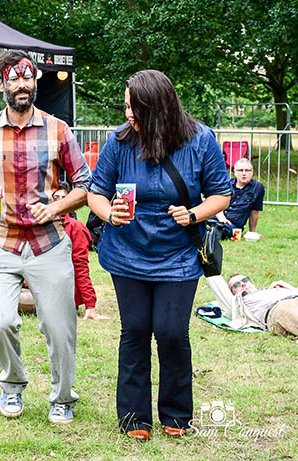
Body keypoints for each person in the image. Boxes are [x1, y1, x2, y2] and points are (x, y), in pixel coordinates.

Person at [87, 69, 232, 441]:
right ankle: (134, 417)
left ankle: (176, 414)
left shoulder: (200, 140)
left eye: (134, 108)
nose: (127, 115)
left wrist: (194, 214)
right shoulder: (119, 142)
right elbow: (95, 192)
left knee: (170, 332)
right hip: (127, 252)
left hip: (179, 254)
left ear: (156, 108)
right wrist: (109, 213)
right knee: (134, 330)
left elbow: (221, 193)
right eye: (125, 107)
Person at [0, 50, 92, 424]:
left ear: (35, 81)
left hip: (48, 241)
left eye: (28, 77)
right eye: (14, 79)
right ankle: (12, 385)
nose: (22, 85)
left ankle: (63, 397)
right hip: (0, 240)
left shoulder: (57, 129)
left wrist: (55, 208)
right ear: (1, 83)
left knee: (59, 326)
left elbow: (84, 185)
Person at [51, 187, 108, 320]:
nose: (59, 202)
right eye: (55, 198)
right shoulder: (39, 223)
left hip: (63, 290)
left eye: (64, 198)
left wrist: (90, 306)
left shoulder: (76, 228)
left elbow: (80, 266)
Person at [205, 274, 298, 337]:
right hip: (278, 309)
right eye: (236, 285)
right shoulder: (240, 302)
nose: (242, 284)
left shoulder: (268, 290)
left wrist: (283, 284)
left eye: (245, 280)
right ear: (232, 293)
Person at [214, 158, 264, 239]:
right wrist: (221, 217)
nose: (244, 173)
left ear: (252, 172)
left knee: (218, 229)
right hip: (218, 218)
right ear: (235, 172)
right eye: (240, 170)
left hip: (233, 226)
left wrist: (252, 232)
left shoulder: (257, 188)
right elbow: (215, 202)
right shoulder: (226, 184)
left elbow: (255, 211)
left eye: (247, 170)